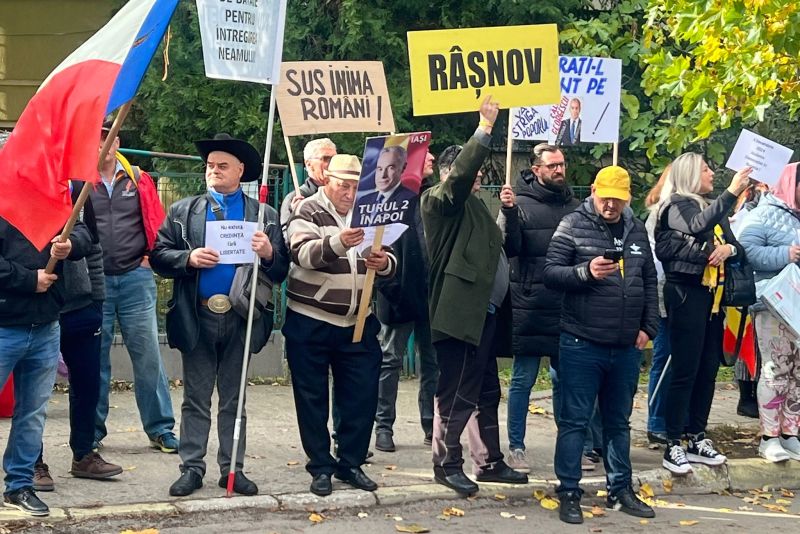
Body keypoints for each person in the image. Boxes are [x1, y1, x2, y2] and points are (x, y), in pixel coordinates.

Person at [150, 134, 289, 497]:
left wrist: (269, 253)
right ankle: (191, 468)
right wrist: (188, 258)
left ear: (240, 170)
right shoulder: (184, 211)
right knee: (195, 398)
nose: (214, 171)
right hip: (197, 316)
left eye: (222, 166)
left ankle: (232, 470)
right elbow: (158, 255)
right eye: (210, 165)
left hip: (242, 318)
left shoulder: (263, 215)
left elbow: (281, 270)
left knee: (234, 399)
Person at [421, 95, 528, 497]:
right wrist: (484, 129)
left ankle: (489, 461)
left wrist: (508, 214)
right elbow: (459, 179)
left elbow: (499, 245)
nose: (479, 175)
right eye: (474, 170)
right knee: (456, 392)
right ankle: (446, 464)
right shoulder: (439, 200)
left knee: (485, 391)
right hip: (460, 315)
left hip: (485, 314)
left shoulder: (475, 207)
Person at [544, 165, 659, 524]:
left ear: (628, 198)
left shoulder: (636, 229)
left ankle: (620, 490)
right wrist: (585, 272)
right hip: (582, 341)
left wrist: (649, 327)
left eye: (618, 199)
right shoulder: (572, 224)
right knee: (574, 421)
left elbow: (649, 280)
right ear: (593, 190)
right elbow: (550, 273)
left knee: (618, 422)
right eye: (605, 197)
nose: (611, 205)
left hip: (625, 345)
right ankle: (569, 492)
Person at [283, 154, 396, 497]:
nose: (350, 193)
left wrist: (385, 263)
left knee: (361, 396)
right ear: (326, 181)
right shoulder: (307, 209)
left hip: (359, 321)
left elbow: (391, 255)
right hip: (311, 320)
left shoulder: (371, 211)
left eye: (355, 186)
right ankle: (320, 467)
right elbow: (302, 254)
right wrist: (338, 242)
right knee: (312, 398)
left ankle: (350, 462)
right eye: (343, 185)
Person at [653, 154, 752, 475]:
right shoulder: (676, 205)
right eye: (706, 169)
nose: (712, 174)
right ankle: (673, 442)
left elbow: (738, 247)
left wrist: (728, 249)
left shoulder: (713, 209)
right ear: (690, 174)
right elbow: (697, 225)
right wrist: (732, 192)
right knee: (685, 369)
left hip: (714, 300)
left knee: (708, 369)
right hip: (687, 295)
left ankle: (697, 435)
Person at [0, 200, 92, 516]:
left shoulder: (51, 196)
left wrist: (70, 244)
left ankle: (19, 486)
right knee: (31, 412)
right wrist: (29, 280)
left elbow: (83, 233)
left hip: (46, 325)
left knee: (33, 413)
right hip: (4, 325)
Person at [90, 122, 177, 453]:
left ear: (117, 143)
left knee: (148, 357)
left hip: (135, 280)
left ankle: (160, 429)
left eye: (108, 139)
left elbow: (157, 222)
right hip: (95, 283)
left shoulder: (137, 178)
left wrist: (149, 258)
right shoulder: (79, 182)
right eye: (96, 140)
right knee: (94, 361)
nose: (103, 145)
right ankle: (90, 433)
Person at [35, 181, 122, 492]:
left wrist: (97, 300)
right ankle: (33, 462)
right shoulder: (17, 190)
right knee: (34, 392)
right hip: (37, 308)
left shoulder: (75, 189)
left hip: (81, 307)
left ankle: (83, 454)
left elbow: (92, 245)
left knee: (87, 384)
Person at [496, 143, 579, 473]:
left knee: (566, 380)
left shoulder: (574, 206)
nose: (559, 170)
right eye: (552, 166)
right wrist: (508, 214)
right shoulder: (519, 203)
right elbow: (510, 248)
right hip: (529, 304)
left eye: (562, 164)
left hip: (566, 304)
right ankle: (516, 446)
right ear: (536, 170)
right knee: (522, 379)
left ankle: (570, 446)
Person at [373, 151, 438, 452]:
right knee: (390, 360)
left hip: (431, 296)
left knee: (432, 364)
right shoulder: (391, 199)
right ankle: (383, 426)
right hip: (397, 295)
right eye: (427, 157)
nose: (432, 160)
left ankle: (432, 426)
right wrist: (391, 288)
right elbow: (379, 248)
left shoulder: (434, 198)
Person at [738, 163, 800, 462]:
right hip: (774, 305)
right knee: (776, 369)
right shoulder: (763, 213)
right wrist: (785, 254)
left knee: (797, 374)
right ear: (791, 184)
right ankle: (769, 438)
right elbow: (745, 251)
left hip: (797, 305)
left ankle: (791, 434)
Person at [644, 167, 672, 448]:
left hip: (687, 296)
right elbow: (654, 260)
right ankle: (656, 421)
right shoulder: (660, 214)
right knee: (663, 357)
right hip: (666, 295)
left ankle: (675, 420)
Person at [279, 138, 336, 230]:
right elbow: (288, 236)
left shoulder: (344, 196)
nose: (332, 164)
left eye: (335, 159)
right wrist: (297, 216)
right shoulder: (295, 198)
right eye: (326, 159)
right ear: (309, 164)